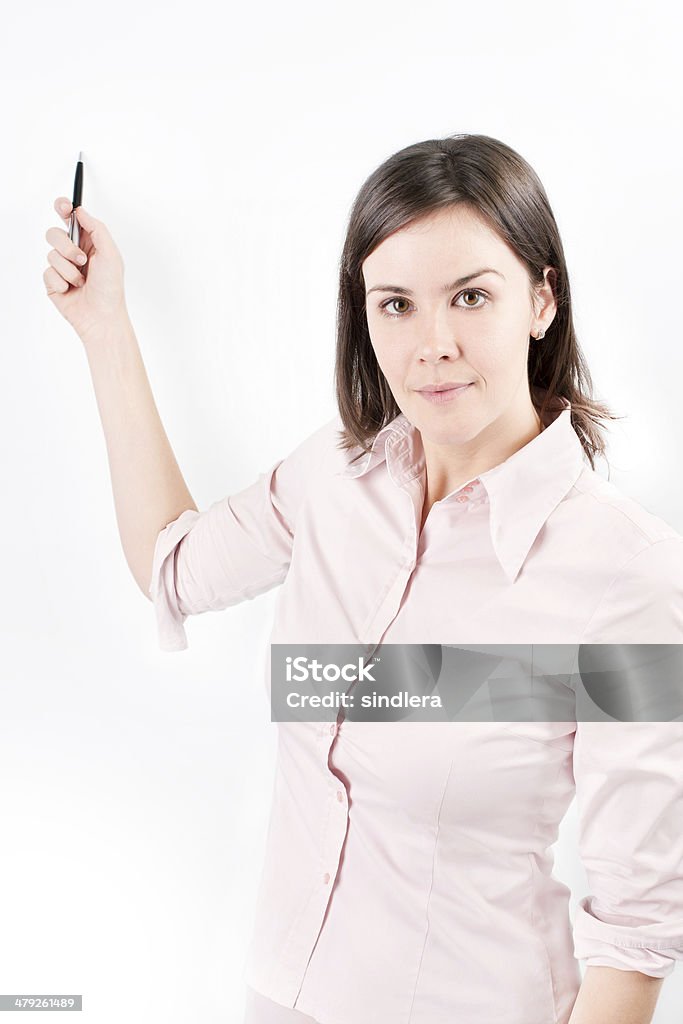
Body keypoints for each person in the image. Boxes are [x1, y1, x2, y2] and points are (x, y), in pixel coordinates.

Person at [44, 134, 683, 1024]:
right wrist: (103, 324)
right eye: (396, 304)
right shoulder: (332, 481)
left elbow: (633, 935)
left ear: (540, 300)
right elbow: (172, 564)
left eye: (470, 296)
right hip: (278, 997)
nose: (433, 346)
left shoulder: (626, 572)